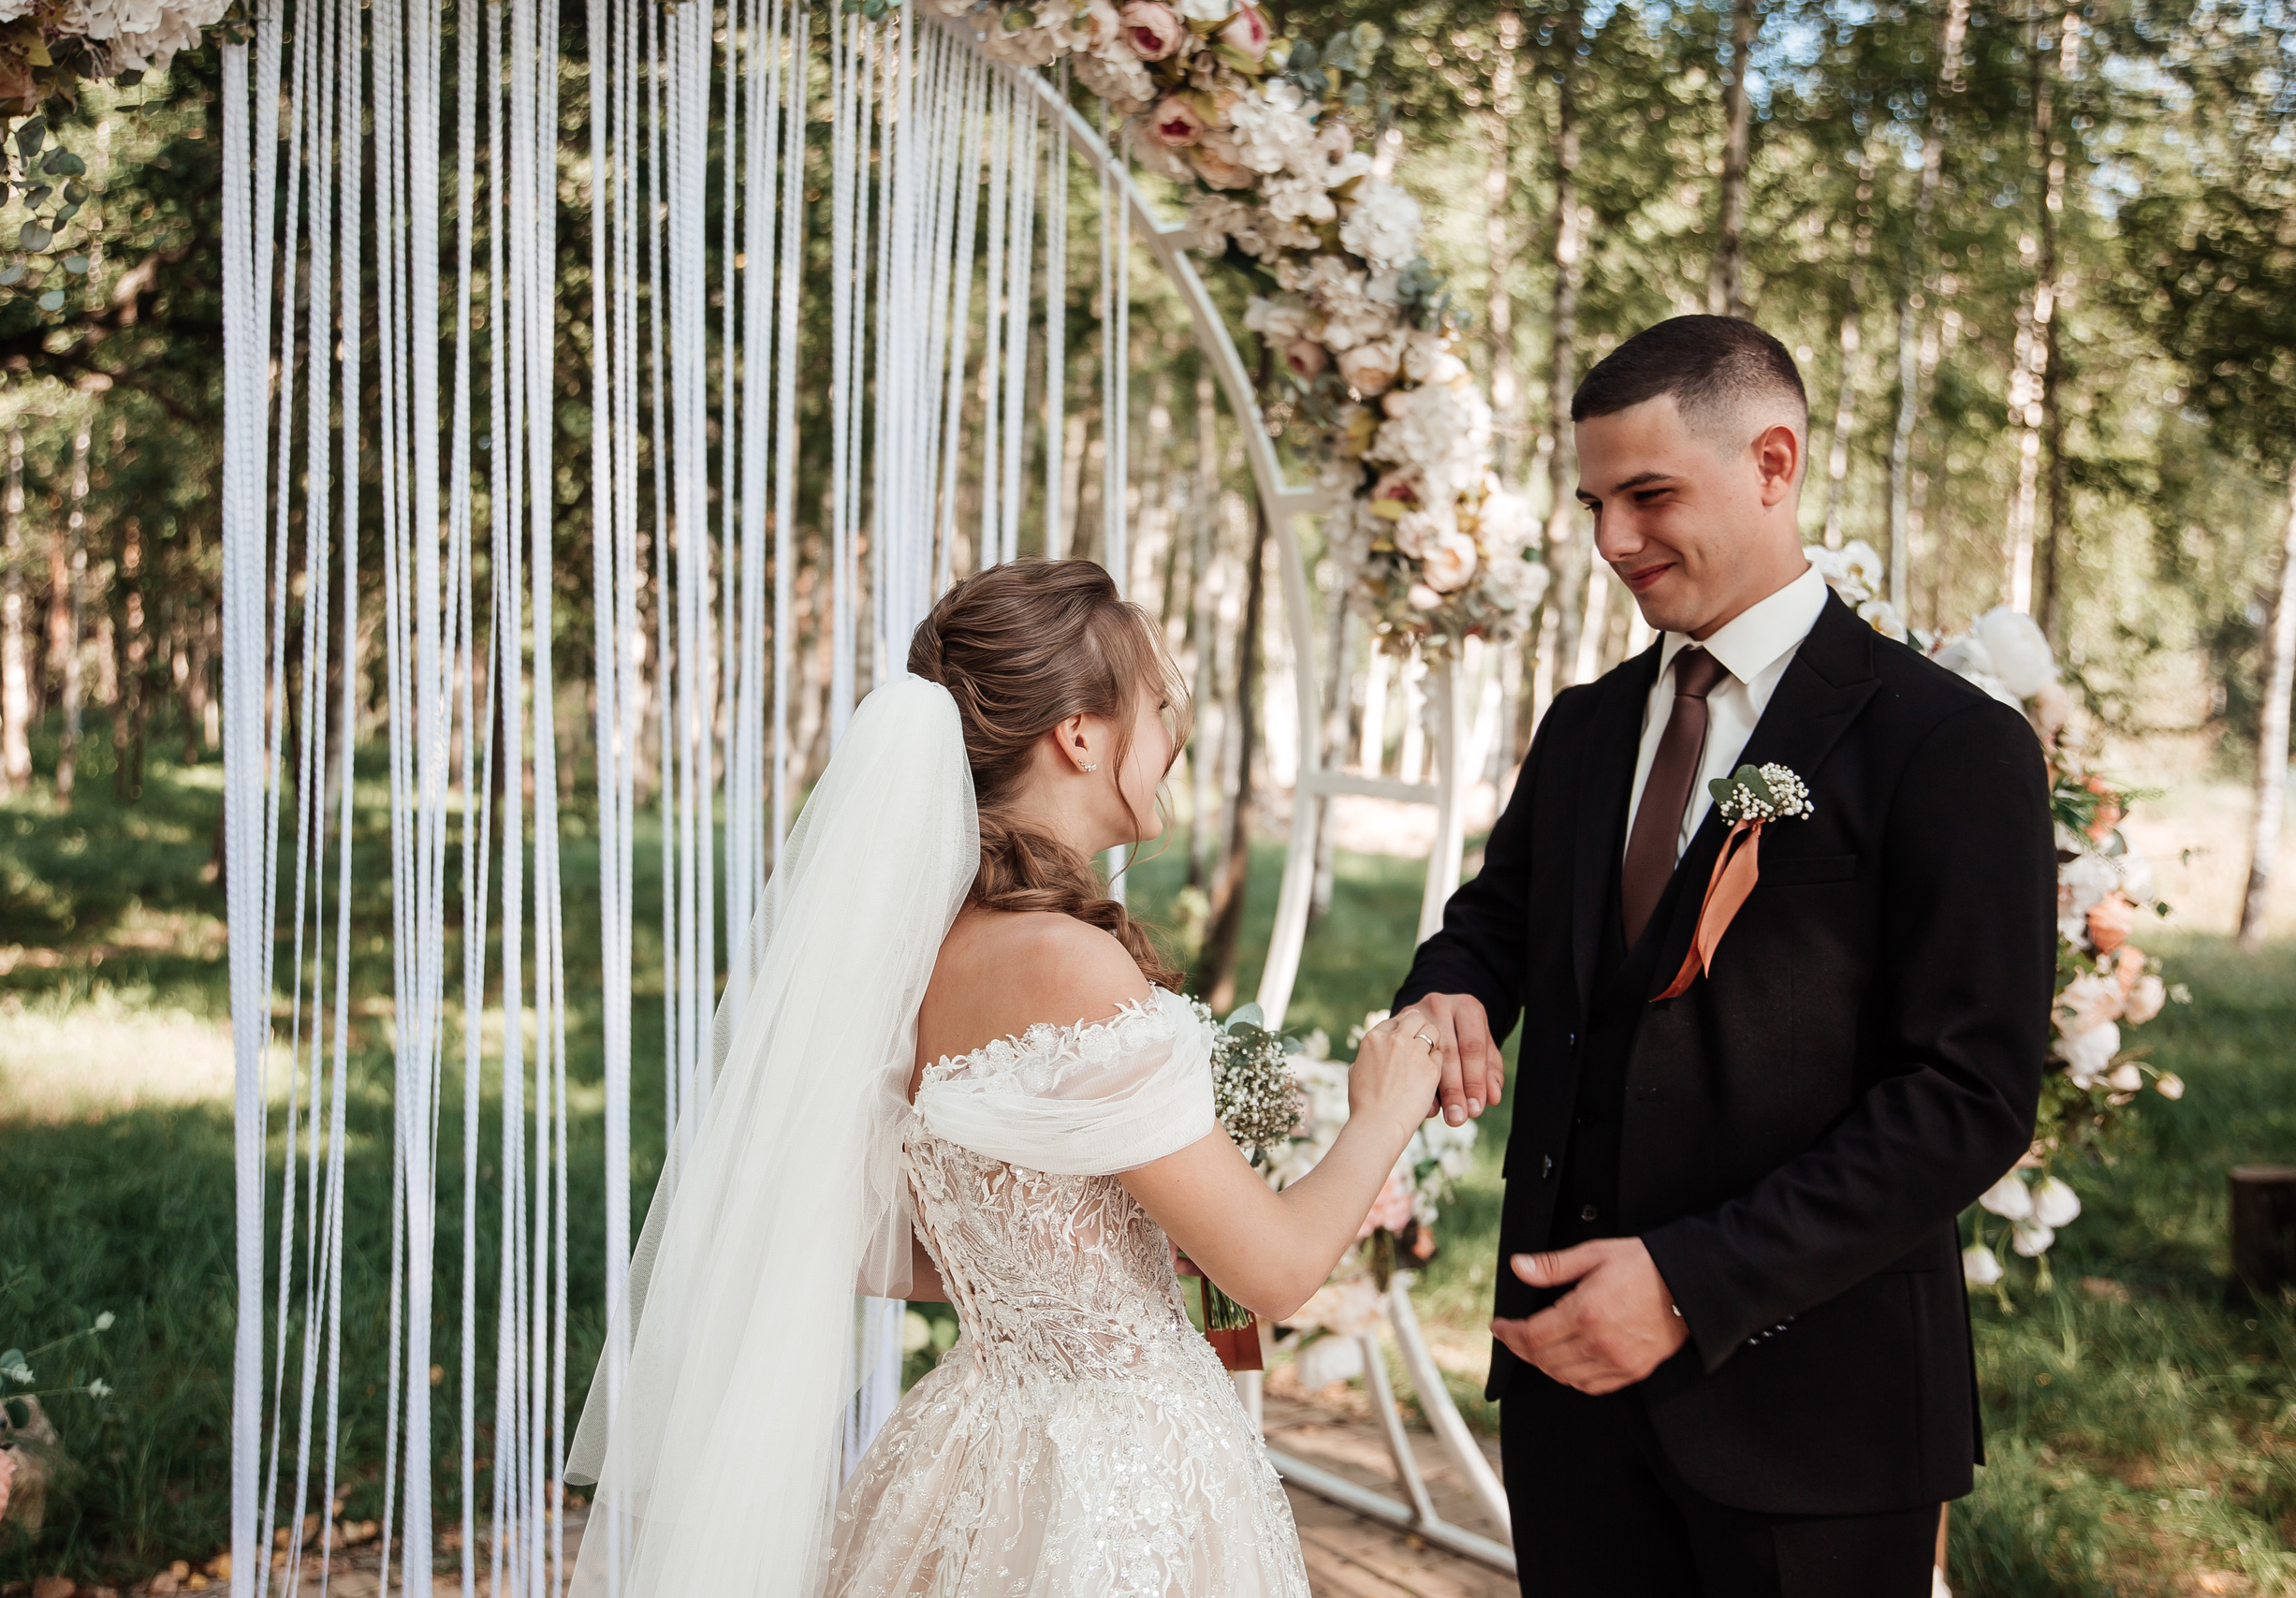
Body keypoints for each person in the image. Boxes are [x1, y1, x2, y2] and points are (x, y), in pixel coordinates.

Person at [564, 557, 1447, 1598]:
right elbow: (1279, 1272)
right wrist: (1383, 1111)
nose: (1173, 739)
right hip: (1116, 1480)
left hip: (970, 1453)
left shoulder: (917, 951)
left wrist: (1080, 1270)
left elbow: (859, 1238)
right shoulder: (1067, 963)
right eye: (1158, 708)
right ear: (1079, 734)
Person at [1393, 315, 2055, 1596]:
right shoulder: (1585, 726)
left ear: (1772, 463)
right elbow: (1495, 921)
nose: (1611, 541)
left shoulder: (1946, 743)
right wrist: (1451, 987)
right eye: (1593, 503)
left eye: (1648, 496)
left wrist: (1693, 1283)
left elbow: (1969, 1095)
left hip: (1817, 1419)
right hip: (1568, 1402)